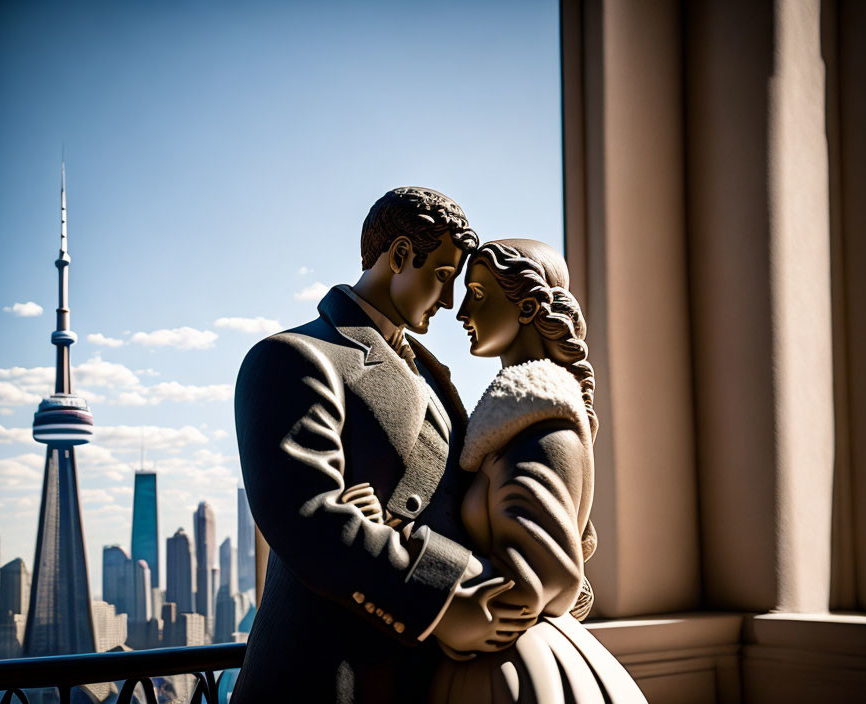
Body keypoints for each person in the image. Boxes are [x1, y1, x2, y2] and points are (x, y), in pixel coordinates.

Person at [230, 189, 530, 703]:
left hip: (423, 677)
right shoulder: (291, 357)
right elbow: (311, 522)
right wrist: (441, 605)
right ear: (398, 257)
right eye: (443, 275)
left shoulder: (434, 373)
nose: (451, 300)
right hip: (325, 677)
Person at [348, 239, 647, 702]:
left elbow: (544, 576)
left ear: (527, 307)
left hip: (512, 672)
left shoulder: (541, 429)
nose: (461, 310)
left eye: (478, 294)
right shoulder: (512, 425)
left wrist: (405, 546)